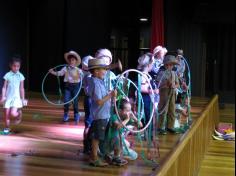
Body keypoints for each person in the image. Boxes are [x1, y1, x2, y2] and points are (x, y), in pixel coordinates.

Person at [87, 58, 117, 167]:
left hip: (103, 114)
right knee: (97, 137)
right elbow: (99, 101)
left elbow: (102, 98)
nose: (105, 71)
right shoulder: (95, 83)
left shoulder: (99, 81)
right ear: (96, 71)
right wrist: (110, 95)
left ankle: (99, 155)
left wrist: (110, 95)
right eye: (103, 69)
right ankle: (94, 158)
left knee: (100, 136)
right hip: (100, 115)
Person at [49, 51, 83, 124]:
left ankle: (76, 114)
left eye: (73, 60)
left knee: (75, 102)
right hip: (68, 86)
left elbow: (82, 77)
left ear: (76, 61)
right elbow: (60, 73)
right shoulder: (65, 68)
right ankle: (66, 114)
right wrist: (52, 72)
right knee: (66, 101)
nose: (71, 61)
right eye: (70, 60)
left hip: (76, 86)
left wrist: (81, 74)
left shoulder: (78, 70)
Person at [106, 98, 142, 165]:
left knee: (128, 146)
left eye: (130, 110)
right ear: (119, 111)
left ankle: (113, 154)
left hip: (117, 141)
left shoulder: (124, 118)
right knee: (133, 155)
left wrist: (134, 117)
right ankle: (115, 157)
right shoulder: (114, 117)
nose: (129, 112)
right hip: (109, 142)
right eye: (127, 110)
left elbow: (140, 125)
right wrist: (128, 119)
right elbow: (118, 126)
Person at [0, 56, 27, 134]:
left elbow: (22, 88)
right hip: (8, 98)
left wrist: (23, 99)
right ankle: (7, 127)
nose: (16, 68)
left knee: (13, 113)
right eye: (14, 66)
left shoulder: (21, 76)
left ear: (20, 66)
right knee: (6, 114)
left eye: (18, 66)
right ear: (10, 66)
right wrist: (3, 96)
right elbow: (4, 87)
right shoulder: (7, 75)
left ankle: (19, 114)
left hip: (16, 98)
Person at [155, 54, 180, 134]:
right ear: (166, 64)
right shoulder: (161, 73)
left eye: (172, 65)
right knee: (163, 110)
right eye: (170, 64)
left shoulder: (174, 73)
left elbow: (177, 84)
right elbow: (158, 84)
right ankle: (160, 127)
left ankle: (170, 126)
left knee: (172, 110)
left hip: (172, 93)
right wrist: (166, 84)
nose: (171, 66)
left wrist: (174, 86)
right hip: (164, 93)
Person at [81, 55, 94, 154]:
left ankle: (88, 145)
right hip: (90, 100)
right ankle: (87, 146)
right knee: (89, 123)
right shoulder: (88, 76)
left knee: (89, 123)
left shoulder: (88, 75)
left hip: (90, 99)